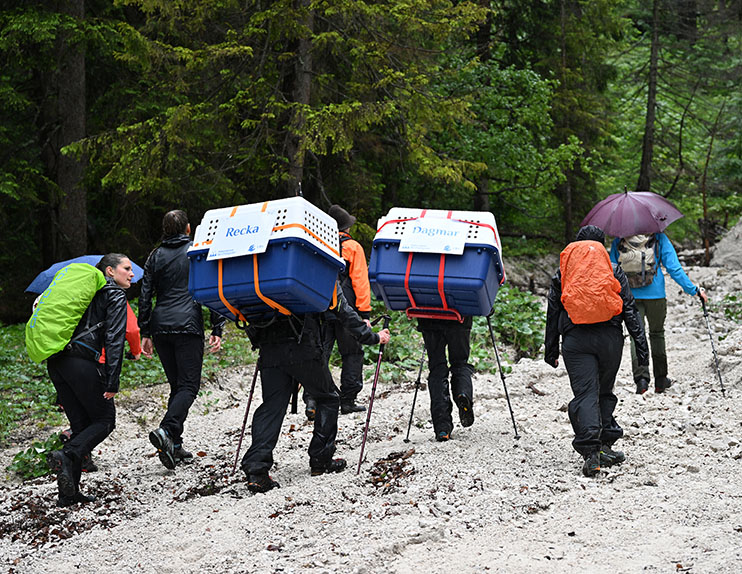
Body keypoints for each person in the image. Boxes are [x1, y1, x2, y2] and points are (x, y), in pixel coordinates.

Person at [241, 286, 391, 493]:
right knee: (328, 398)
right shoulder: (317, 270)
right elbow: (344, 312)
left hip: (269, 346)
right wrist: (373, 337)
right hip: (302, 347)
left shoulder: (262, 272)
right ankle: (321, 460)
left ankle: (257, 471)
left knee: (272, 406)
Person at [545, 225, 649, 477]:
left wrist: (551, 349)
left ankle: (592, 453)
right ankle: (604, 444)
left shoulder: (564, 272)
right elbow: (629, 309)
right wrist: (641, 345)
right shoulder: (613, 270)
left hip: (576, 340)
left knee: (585, 394)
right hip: (609, 340)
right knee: (603, 391)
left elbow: (553, 311)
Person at [139, 210, 226, 470]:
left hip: (161, 324)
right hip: (187, 323)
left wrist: (145, 331)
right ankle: (167, 430)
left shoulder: (154, 255)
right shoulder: (196, 249)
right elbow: (212, 286)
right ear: (188, 228)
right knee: (189, 386)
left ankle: (174, 444)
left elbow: (145, 294)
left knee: (177, 386)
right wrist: (217, 326)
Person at [46, 253, 134, 507]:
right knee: (105, 420)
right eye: (126, 269)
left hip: (58, 362)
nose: (131, 274)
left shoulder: (84, 293)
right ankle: (68, 454)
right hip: (81, 362)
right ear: (109, 271)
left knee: (82, 424)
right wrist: (112, 380)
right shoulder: (114, 294)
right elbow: (114, 338)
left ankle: (69, 494)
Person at [609, 232, 708, 394]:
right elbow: (674, 268)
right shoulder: (659, 238)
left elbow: (612, 271)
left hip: (630, 296)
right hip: (656, 295)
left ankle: (641, 380)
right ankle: (661, 380)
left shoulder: (620, 239)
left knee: (636, 336)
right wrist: (694, 290)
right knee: (657, 334)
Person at [304, 204, 373, 419]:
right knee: (352, 353)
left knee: (321, 353)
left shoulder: (318, 245)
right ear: (346, 228)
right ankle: (348, 401)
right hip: (347, 309)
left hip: (319, 309)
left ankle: (313, 399)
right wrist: (365, 314)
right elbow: (360, 282)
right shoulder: (353, 247)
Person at [416, 317, 475, 442]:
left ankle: (442, 428)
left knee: (437, 368)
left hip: (428, 317)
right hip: (459, 318)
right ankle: (462, 394)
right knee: (460, 363)